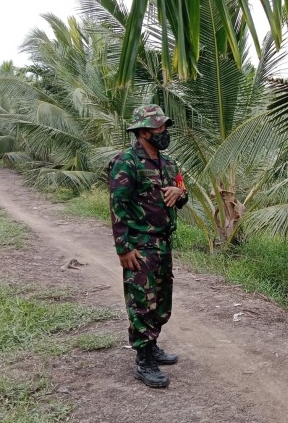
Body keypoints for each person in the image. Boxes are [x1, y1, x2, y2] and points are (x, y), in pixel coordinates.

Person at [108, 104, 189, 388]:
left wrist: (179, 191)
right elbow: (118, 206)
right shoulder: (127, 161)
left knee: (162, 299)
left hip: (164, 242)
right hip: (140, 244)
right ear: (143, 132)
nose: (164, 133)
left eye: (165, 127)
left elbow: (182, 193)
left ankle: (152, 345)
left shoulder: (169, 163)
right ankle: (144, 359)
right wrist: (123, 248)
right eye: (159, 128)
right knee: (142, 300)